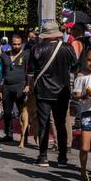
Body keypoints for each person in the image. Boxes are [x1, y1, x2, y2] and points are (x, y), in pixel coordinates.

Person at [27, 21, 77, 167]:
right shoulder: (67, 48)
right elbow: (75, 67)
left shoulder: (36, 49)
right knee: (60, 123)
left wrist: (30, 87)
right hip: (62, 91)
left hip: (43, 91)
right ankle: (62, 157)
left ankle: (43, 157)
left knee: (43, 124)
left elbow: (31, 72)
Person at [0, 33, 30, 142]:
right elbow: (1, 72)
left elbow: (29, 72)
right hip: (7, 86)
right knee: (7, 112)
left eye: (18, 44)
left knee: (22, 112)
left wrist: (28, 85)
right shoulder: (4, 55)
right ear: (10, 44)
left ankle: (24, 135)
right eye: (14, 44)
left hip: (20, 86)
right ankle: (8, 134)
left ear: (22, 44)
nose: (16, 46)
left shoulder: (26, 55)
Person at [72, 47, 91, 181]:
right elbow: (76, 95)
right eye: (90, 60)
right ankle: (83, 171)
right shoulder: (81, 76)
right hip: (88, 113)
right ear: (86, 60)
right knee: (85, 147)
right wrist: (86, 95)